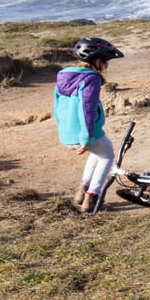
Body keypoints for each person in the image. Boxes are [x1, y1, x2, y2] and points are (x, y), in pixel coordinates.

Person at [54, 37, 124, 212]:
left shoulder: (63, 76)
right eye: (105, 62)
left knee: (97, 153)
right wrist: (86, 137)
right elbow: (87, 109)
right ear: (98, 61)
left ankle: (81, 192)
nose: (106, 67)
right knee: (107, 155)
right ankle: (91, 198)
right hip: (83, 134)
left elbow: (56, 107)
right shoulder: (91, 79)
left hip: (66, 134)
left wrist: (63, 130)